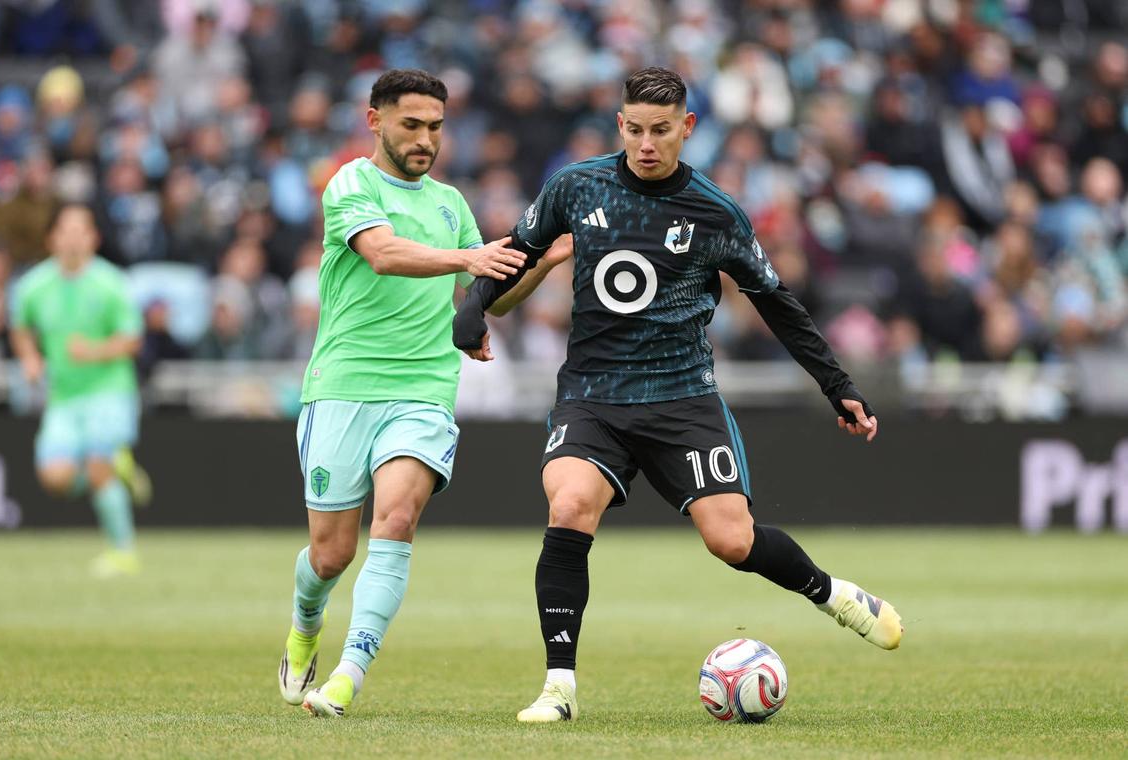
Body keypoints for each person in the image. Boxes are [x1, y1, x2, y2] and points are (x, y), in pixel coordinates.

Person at [453, 67, 903, 723]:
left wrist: (838, 386)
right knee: (571, 504)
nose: (645, 143)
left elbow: (777, 304)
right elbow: (520, 251)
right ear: (620, 126)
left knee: (732, 542)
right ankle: (559, 687)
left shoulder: (715, 212)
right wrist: (474, 309)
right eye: (634, 129)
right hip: (592, 396)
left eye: (660, 131)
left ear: (686, 128)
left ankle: (831, 594)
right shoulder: (576, 186)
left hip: (682, 400)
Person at [279, 68, 543, 719]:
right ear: (375, 121)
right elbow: (383, 253)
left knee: (397, 519)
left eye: (435, 127)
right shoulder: (351, 182)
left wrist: (548, 258)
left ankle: (347, 676)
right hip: (341, 387)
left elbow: (491, 294)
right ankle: (304, 626)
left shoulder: (450, 202)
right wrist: (468, 260)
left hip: (422, 390)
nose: (426, 139)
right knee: (331, 552)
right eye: (412, 125)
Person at [9, 203, 152, 578]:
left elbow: (133, 341)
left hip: (110, 390)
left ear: (94, 238)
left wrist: (94, 351)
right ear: (51, 238)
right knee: (55, 477)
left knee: (96, 463)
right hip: (63, 396)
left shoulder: (112, 284)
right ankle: (116, 473)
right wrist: (29, 359)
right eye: (65, 230)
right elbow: (20, 327)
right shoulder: (32, 286)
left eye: (81, 230)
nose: (73, 238)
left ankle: (123, 552)